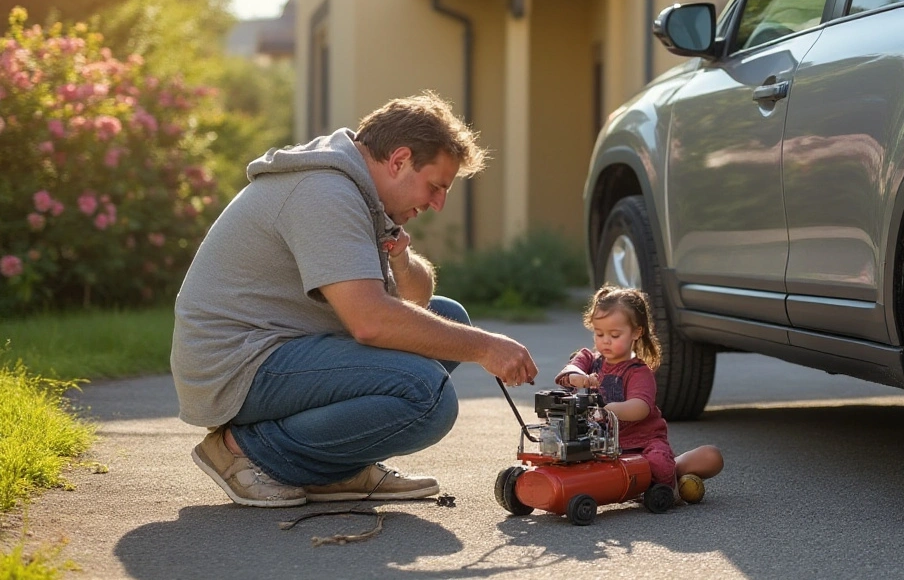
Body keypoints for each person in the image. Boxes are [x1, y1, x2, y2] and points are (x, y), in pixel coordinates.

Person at [172, 93, 538, 508]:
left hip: (282, 350)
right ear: (399, 160)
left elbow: (416, 302)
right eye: (435, 186)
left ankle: (335, 469)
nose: (438, 203)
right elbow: (371, 321)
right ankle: (244, 451)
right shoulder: (324, 192)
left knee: (448, 317)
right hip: (237, 366)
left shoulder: (359, 191)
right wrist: (486, 347)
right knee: (428, 396)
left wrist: (398, 256)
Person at [554, 285, 723, 502]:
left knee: (668, 464)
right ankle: (641, 480)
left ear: (636, 332)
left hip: (642, 443)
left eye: (615, 334)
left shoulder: (639, 372)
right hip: (600, 445)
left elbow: (640, 408)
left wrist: (609, 410)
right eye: (599, 333)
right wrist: (577, 377)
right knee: (564, 456)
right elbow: (567, 372)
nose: (605, 340)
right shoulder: (589, 358)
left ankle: (664, 480)